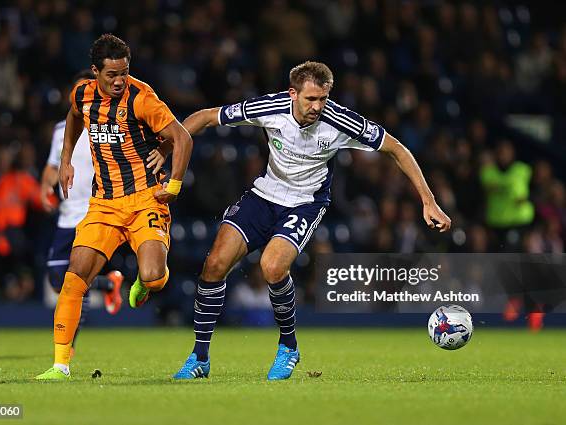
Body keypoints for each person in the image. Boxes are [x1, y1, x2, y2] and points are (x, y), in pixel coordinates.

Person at [159, 61, 450, 380]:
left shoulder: (339, 121)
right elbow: (204, 117)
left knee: (271, 267)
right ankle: (200, 358)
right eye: (311, 99)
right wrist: (169, 148)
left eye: (323, 99)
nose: (317, 107)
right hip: (264, 196)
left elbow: (396, 148)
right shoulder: (271, 107)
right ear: (292, 93)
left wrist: (428, 200)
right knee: (214, 265)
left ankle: (288, 347)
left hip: (305, 203)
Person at [35, 34, 193, 380]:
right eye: (111, 75)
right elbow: (74, 117)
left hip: (144, 200)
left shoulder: (142, 97)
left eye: (124, 72)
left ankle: (142, 284)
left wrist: (174, 185)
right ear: (95, 72)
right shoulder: (82, 94)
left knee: (154, 278)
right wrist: (65, 162)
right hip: (104, 203)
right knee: (74, 276)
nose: (120, 80)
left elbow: (182, 137)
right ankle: (60, 365)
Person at [40, 70, 125, 358]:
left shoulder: (105, 126)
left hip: (93, 210)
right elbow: (53, 165)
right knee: (56, 276)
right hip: (66, 212)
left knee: (75, 278)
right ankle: (108, 283)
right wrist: (44, 188)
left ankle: (69, 347)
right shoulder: (60, 130)